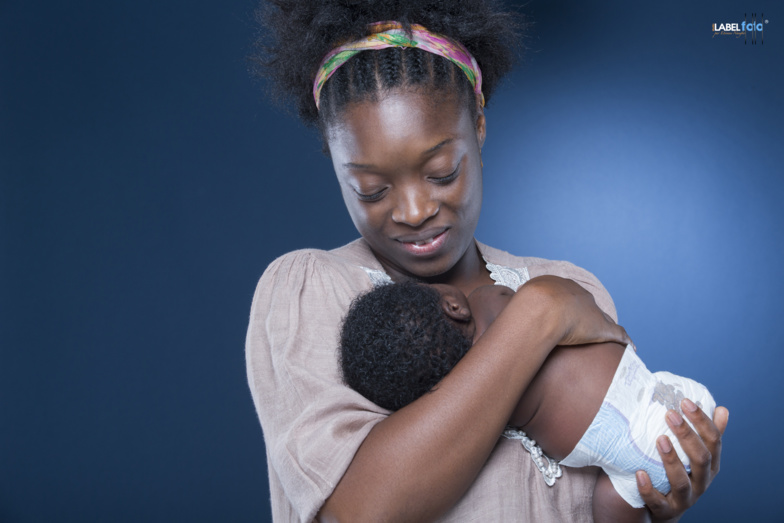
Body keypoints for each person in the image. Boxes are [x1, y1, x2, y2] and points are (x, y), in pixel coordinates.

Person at [245, 1, 728, 521]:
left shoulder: (567, 284)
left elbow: (602, 498)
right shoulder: (313, 289)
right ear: (335, 164)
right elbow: (357, 511)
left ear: (478, 127)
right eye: (372, 189)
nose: (414, 211)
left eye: (442, 172)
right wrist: (536, 316)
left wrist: (651, 492)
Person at [339, 281, 717, 521]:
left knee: (612, 502)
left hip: (637, 467)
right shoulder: (491, 297)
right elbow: (558, 295)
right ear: (452, 304)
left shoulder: (473, 400)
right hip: (681, 399)